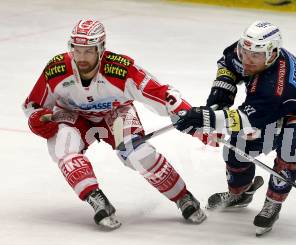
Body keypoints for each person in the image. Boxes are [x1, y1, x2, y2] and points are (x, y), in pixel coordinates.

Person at [22, 19, 207, 230]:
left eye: (89, 51)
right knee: (63, 146)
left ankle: (183, 197)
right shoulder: (56, 69)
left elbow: (160, 93)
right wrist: (38, 118)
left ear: (101, 49)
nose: (81, 57)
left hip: (115, 113)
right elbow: (33, 105)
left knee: (137, 153)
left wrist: (190, 116)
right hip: (73, 115)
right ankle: (96, 198)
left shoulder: (120, 69)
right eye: (77, 50)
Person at [174, 21, 296, 236]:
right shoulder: (246, 49)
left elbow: (245, 120)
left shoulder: (277, 87)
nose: (247, 60)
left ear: (272, 54)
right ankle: (240, 194)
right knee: (238, 146)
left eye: (255, 56)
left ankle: (273, 203)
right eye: (245, 52)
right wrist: (218, 100)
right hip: (278, 110)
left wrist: (205, 117)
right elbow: (228, 67)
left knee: (293, 147)